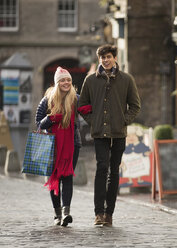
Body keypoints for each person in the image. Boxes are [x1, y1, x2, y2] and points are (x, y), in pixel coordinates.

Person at [78, 44, 141, 226]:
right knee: (101, 168)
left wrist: (123, 120)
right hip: (99, 134)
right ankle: (98, 213)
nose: (105, 60)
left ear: (115, 58)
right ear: (99, 60)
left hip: (119, 133)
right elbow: (82, 106)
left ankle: (109, 213)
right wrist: (94, 120)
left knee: (114, 172)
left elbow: (135, 106)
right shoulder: (90, 81)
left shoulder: (126, 80)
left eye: (108, 57)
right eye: (102, 58)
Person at [35, 66, 81, 227]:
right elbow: (39, 123)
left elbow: (88, 111)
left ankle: (66, 213)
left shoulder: (76, 98)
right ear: (57, 83)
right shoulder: (47, 100)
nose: (66, 82)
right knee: (54, 178)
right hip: (51, 144)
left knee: (67, 177)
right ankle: (57, 214)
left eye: (68, 80)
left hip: (72, 144)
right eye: (63, 80)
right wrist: (51, 118)